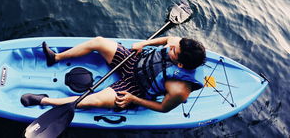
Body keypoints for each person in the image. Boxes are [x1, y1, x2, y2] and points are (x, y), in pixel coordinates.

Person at [21, 36, 206, 113]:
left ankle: (44, 100)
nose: (169, 47)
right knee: (100, 42)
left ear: (180, 64)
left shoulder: (180, 90)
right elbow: (168, 39)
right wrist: (143, 43)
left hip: (136, 89)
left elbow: (163, 108)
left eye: (173, 50)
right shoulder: (180, 44)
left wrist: (134, 99)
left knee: (92, 100)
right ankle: (56, 57)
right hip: (133, 62)